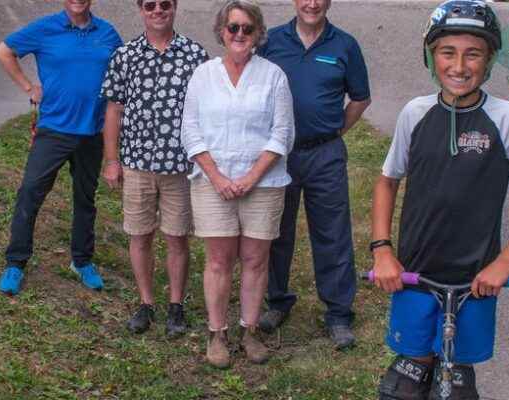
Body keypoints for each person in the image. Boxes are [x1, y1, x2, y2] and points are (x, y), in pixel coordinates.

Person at [370, 1, 509, 399]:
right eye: (447, 53)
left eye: (473, 53)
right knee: (403, 385)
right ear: (431, 57)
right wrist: (383, 250)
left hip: (475, 282)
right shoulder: (415, 113)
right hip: (414, 275)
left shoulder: (507, 118)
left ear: (489, 60)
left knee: (455, 388)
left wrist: (503, 265)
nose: (459, 65)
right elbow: (387, 182)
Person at [181, 0, 295, 369]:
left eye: (248, 28)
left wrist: (249, 178)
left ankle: (249, 330)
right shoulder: (203, 75)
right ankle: (217, 333)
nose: (240, 35)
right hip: (212, 183)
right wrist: (217, 176)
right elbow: (190, 131)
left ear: (258, 33)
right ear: (221, 32)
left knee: (255, 260)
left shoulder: (273, 76)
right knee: (218, 261)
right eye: (233, 28)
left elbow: (282, 134)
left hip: (263, 184)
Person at [256, 0, 371, 350]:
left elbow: (360, 98)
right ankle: (276, 302)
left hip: (325, 154)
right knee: (275, 230)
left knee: (332, 233)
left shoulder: (345, 45)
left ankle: (338, 314)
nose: (312, 3)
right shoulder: (271, 41)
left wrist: (335, 131)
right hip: (279, 154)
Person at [0, 0, 122, 295]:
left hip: (92, 130)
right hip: (54, 129)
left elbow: (122, 74)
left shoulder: (108, 33)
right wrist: (29, 87)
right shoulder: (45, 28)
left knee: (85, 198)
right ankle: (16, 262)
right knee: (30, 191)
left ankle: (81, 260)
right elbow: (3, 51)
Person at [100, 0, 209, 337]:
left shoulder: (194, 54)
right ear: (141, 10)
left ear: (174, 8)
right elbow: (114, 111)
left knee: (177, 238)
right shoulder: (126, 54)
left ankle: (176, 305)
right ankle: (146, 303)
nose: (158, 10)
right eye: (151, 5)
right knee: (140, 234)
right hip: (136, 164)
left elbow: (209, 108)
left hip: (179, 166)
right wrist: (111, 160)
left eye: (165, 4)